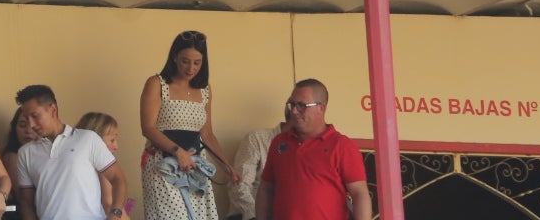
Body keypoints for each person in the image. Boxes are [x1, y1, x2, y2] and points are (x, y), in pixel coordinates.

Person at [138, 31, 227, 220]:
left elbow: (207, 133)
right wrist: (179, 152)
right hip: (164, 163)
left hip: (195, 165)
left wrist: (227, 166)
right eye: (185, 61)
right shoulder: (157, 83)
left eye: (197, 62)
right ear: (174, 57)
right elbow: (148, 128)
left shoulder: (205, 89)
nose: (191, 68)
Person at [253, 80, 368, 220]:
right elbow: (266, 189)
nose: (294, 111)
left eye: (302, 105)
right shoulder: (279, 142)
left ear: (321, 108)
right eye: (292, 104)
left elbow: (359, 194)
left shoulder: (342, 146)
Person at [13, 85, 123, 220]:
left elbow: (118, 179)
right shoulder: (26, 153)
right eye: (26, 118)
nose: (31, 124)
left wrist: (116, 213)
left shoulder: (88, 139)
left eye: (35, 116)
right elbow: (26, 203)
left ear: (53, 109)